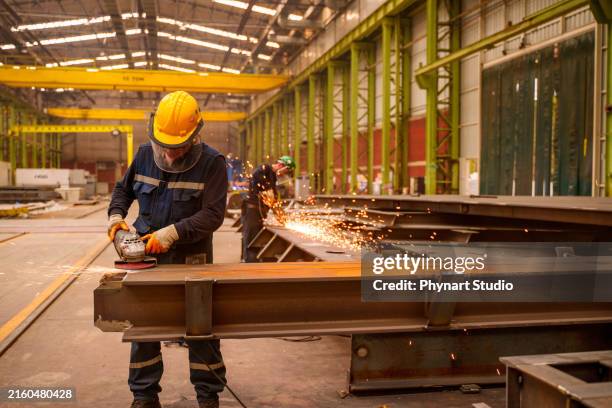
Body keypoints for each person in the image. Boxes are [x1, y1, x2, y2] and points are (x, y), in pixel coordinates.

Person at [107, 91, 228, 408]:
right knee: (145, 327)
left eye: (179, 148)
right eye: (166, 147)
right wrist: (117, 221)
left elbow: (213, 215)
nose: (170, 155)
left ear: (195, 134)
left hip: (193, 259)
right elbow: (123, 192)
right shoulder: (145, 154)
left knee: (200, 330)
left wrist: (174, 233)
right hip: (147, 259)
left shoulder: (212, 163)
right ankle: (144, 396)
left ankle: (208, 395)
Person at [241, 156, 295, 262]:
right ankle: (251, 267)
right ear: (281, 166)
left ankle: (253, 262)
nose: (284, 175)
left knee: (256, 239)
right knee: (252, 241)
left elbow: (272, 196)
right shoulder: (263, 170)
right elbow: (269, 196)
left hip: (258, 211)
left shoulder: (271, 175)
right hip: (252, 211)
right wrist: (280, 216)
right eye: (286, 171)